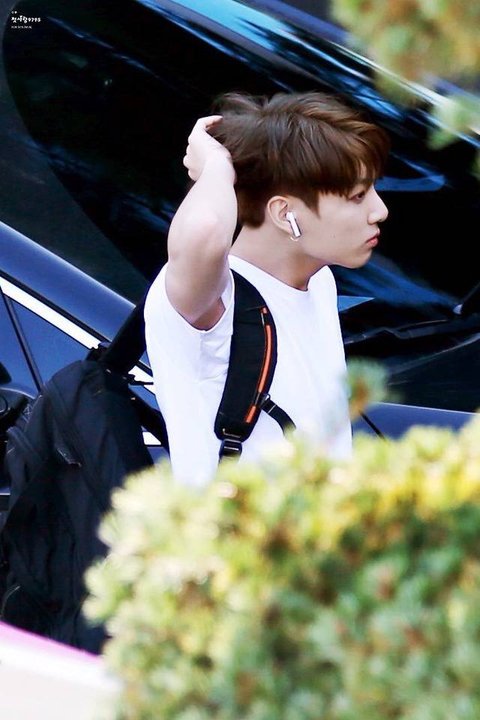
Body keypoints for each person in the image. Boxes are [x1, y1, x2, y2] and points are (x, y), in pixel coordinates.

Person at [144, 91, 389, 486]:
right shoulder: (215, 302)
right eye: (357, 196)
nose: (379, 210)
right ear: (284, 212)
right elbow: (206, 230)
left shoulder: (319, 281)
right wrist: (215, 168)